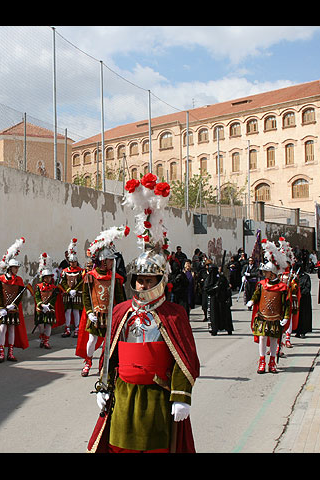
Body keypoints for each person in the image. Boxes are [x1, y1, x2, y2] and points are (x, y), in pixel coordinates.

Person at [87, 176, 200, 453]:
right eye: (139, 279)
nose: (142, 285)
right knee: (119, 448)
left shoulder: (173, 315)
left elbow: (183, 360)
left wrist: (181, 396)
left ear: (160, 280)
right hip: (123, 394)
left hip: (158, 396)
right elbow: (109, 356)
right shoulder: (122, 311)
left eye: (149, 280)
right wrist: (103, 386)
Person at [75, 226, 128, 377]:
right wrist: (90, 312)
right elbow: (86, 296)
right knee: (92, 340)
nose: (113, 263)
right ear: (103, 261)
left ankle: (107, 364)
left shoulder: (116, 278)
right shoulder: (90, 276)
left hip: (110, 314)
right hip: (96, 314)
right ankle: (88, 361)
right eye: (111, 260)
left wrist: (122, 314)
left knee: (110, 342)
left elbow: (120, 298)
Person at [247, 239, 291, 374]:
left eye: (266, 272)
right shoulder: (261, 284)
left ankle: (272, 362)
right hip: (263, 316)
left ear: (272, 273)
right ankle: (262, 361)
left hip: (275, 317)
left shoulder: (282, 288)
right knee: (262, 337)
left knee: (273, 339)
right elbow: (256, 295)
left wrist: (285, 317)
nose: (264, 274)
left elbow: (286, 304)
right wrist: (252, 301)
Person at [0, 238, 29, 363]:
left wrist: (14, 305)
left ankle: (10, 353)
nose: (16, 269)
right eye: (14, 267)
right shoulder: (0, 280)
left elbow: (19, 295)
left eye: (17, 268)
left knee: (11, 329)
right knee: (2, 329)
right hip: (3, 310)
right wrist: (1, 308)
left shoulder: (19, 280)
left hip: (12, 309)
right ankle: (1, 353)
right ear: (9, 268)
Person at [33, 253, 65, 349]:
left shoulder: (54, 288)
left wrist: (49, 305)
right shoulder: (38, 287)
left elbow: (55, 298)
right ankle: (42, 336)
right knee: (40, 325)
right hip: (40, 308)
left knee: (48, 325)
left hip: (50, 309)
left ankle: (46, 341)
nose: (48, 279)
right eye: (46, 277)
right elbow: (37, 296)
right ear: (43, 278)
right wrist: (41, 305)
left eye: (49, 277)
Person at [59, 238, 85, 338]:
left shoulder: (80, 271)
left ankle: (77, 329)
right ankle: (67, 328)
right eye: (71, 262)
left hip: (77, 293)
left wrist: (75, 290)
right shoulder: (65, 271)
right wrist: (69, 290)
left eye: (74, 262)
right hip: (67, 293)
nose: (72, 264)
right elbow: (63, 282)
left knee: (76, 311)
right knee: (68, 310)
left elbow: (81, 281)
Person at [203, 264, 233, 335]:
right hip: (213, 299)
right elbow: (206, 289)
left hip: (222, 299)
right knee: (214, 315)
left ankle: (228, 328)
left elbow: (227, 288)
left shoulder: (222, 278)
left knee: (225, 314)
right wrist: (215, 287)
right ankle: (214, 329)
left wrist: (228, 297)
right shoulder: (208, 279)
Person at [293, 263, 312, 338]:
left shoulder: (306, 277)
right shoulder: (294, 277)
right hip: (296, 299)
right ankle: (297, 331)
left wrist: (301, 293)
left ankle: (303, 331)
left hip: (304, 299)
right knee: (297, 315)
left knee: (304, 315)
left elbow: (307, 288)